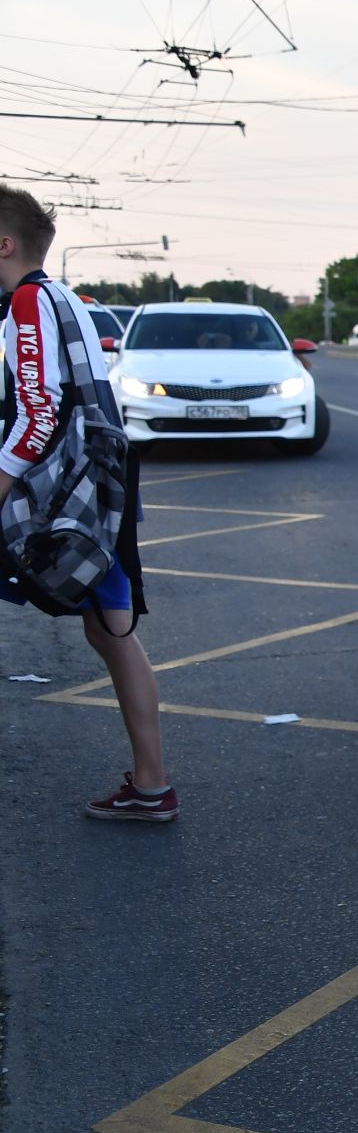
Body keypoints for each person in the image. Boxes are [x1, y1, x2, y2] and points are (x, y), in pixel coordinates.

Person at [0, 184, 174, 822]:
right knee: (111, 632)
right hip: (98, 495)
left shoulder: (25, 301)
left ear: (4, 244)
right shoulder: (62, 297)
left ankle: (154, 787)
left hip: (56, 499)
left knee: (112, 633)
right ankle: (152, 786)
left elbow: (39, 409)